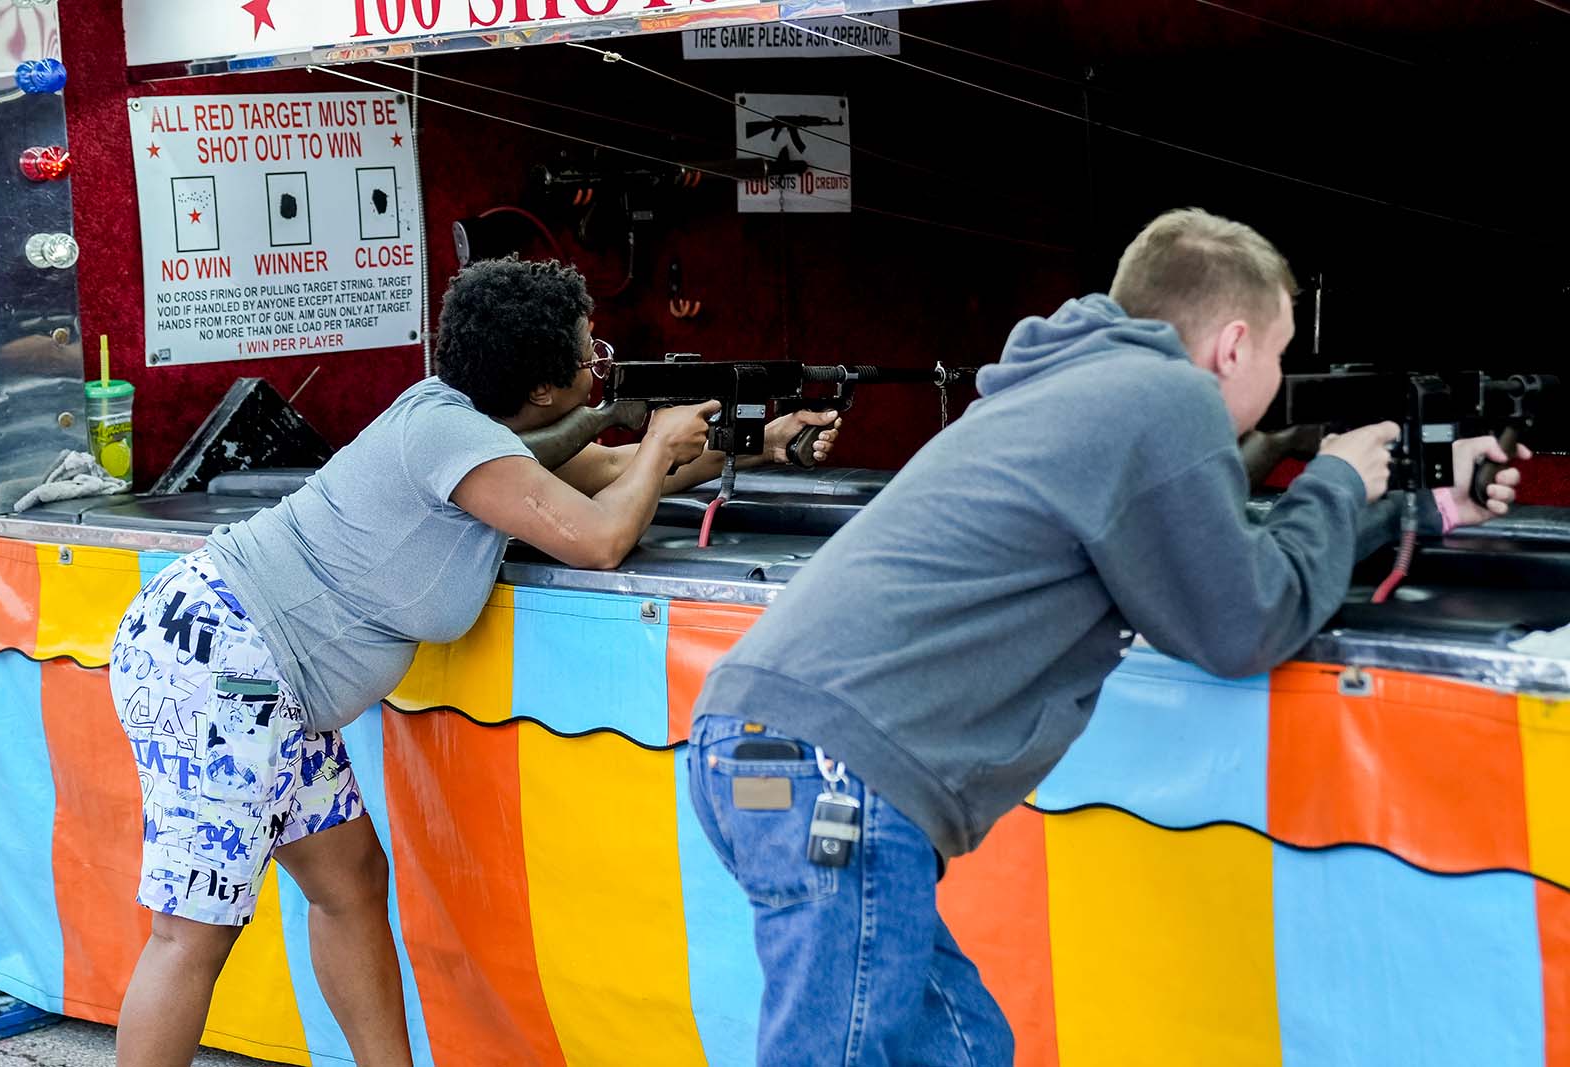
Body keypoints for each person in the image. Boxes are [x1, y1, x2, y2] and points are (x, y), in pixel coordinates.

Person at [686, 207, 1528, 1066]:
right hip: (836, 777)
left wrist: (1424, 510)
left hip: (767, 758)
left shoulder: (1073, 386)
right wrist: (1338, 477)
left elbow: (1194, 541)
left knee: (964, 1046)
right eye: (1278, 356)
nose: (1277, 381)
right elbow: (1246, 620)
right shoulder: (1165, 398)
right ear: (1234, 346)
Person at [107, 256, 840, 1067]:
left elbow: (599, 473)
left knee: (349, 883)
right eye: (588, 354)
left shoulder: (467, 428)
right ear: (540, 391)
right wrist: (661, 433)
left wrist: (761, 447)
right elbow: (598, 537)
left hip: (263, 673)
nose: (598, 363)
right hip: (227, 660)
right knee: (193, 930)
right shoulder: (451, 433)